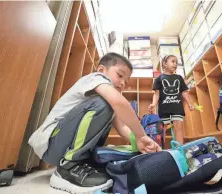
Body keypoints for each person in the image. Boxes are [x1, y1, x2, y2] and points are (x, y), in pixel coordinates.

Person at [28, 52, 162, 193]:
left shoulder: (107, 101)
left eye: (126, 81)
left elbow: (122, 127)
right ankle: (68, 167)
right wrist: (141, 135)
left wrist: (140, 144)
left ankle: (79, 163)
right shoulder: (95, 78)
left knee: (107, 106)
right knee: (104, 102)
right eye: (120, 75)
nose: (123, 83)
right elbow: (118, 102)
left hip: (61, 148)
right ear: (101, 70)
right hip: (51, 142)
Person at [148, 55, 194, 145]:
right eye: (173, 61)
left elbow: (184, 92)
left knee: (179, 128)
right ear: (164, 64)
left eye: (176, 62)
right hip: (164, 109)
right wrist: (153, 104)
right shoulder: (159, 79)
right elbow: (156, 94)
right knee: (162, 130)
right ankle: (161, 148)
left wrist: (189, 103)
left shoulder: (179, 78)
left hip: (177, 108)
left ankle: (179, 150)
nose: (175, 64)